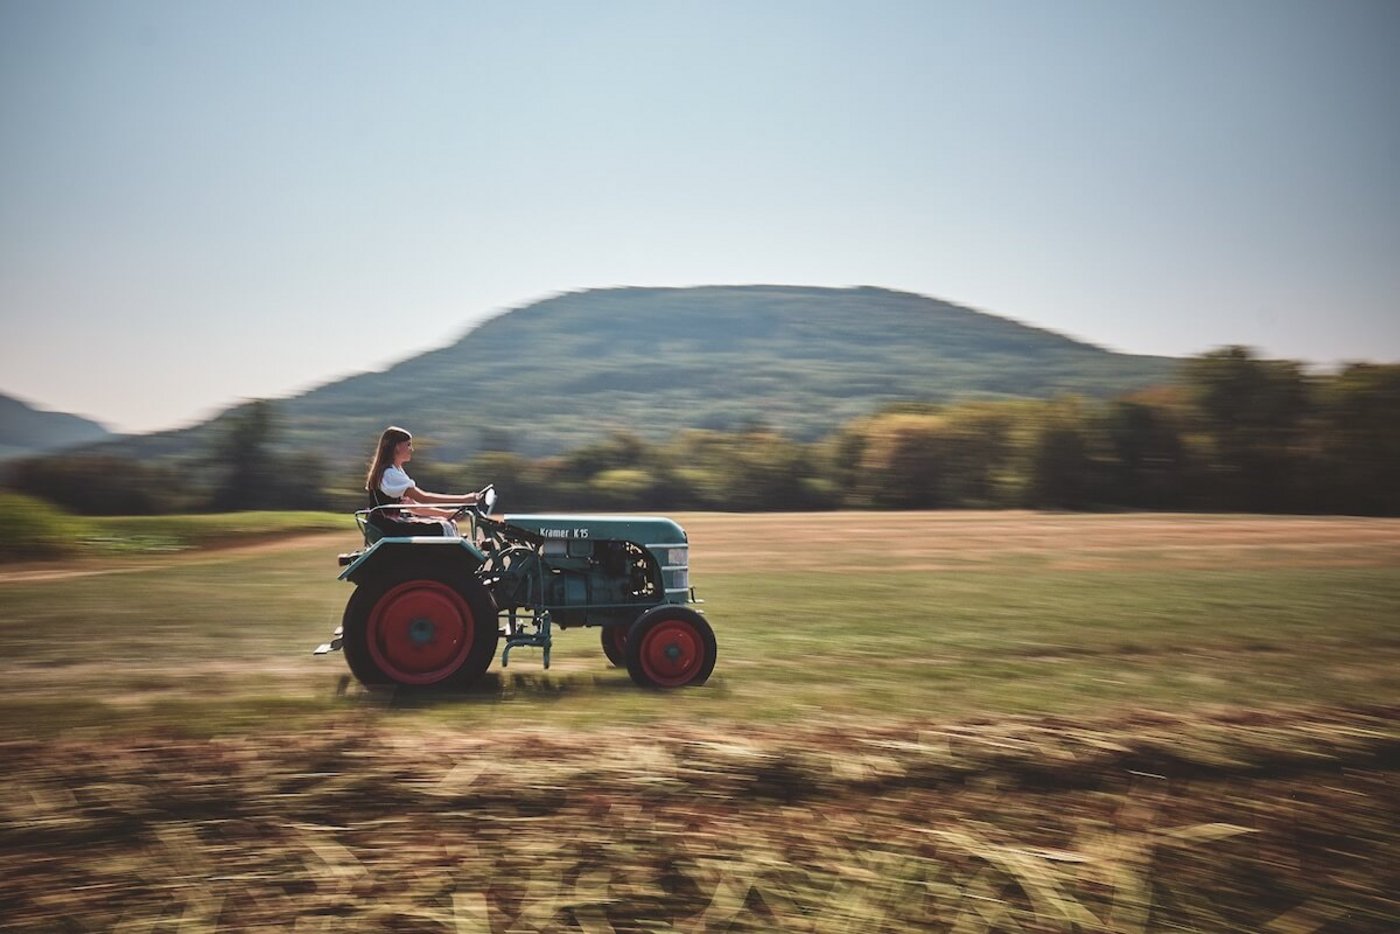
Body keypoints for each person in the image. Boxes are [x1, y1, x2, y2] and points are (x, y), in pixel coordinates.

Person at [364, 426, 481, 536]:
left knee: (445, 522)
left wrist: (446, 514)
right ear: (397, 447)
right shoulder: (390, 474)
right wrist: (465, 499)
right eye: (408, 445)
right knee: (442, 527)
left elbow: (414, 507)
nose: (412, 449)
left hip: (387, 524)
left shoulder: (395, 471)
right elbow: (424, 498)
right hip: (387, 526)